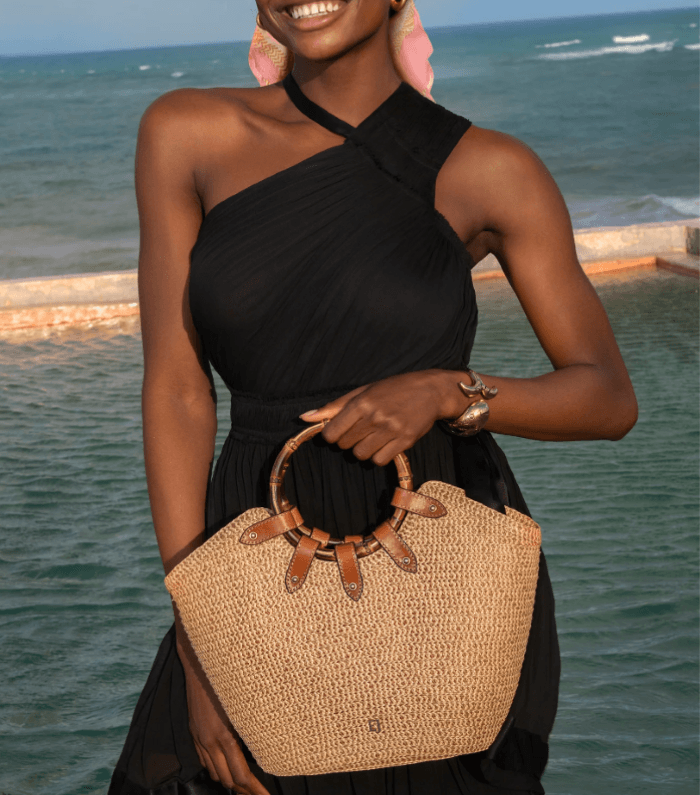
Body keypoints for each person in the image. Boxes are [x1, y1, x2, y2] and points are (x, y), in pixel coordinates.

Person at [108, 1, 638, 793]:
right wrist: (198, 638)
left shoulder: (490, 169)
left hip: (436, 573)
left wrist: (449, 391)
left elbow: (606, 396)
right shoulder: (187, 133)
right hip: (256, 558)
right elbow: (178, 391)